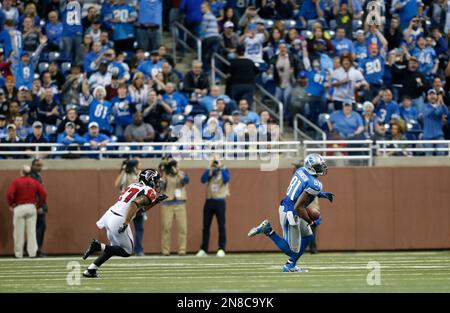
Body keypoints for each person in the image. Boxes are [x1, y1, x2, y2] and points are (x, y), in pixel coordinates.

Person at [248, 154, 334, 272]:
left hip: (290, 205)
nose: (322, 168)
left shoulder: (301, 170)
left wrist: (321, 194)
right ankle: (268, 230)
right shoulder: (315, 184)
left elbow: (303, 188)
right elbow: (299, 206)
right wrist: (310, 220)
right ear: (312, 168)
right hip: (291, 211)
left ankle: (290, 265)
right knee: (291, 251)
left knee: (308, 236)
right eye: (319, 166)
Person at [82, 169, 168, 278]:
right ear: (150, 180)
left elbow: (138, 209)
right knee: (127, 251)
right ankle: (97, 246)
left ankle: (91, 270)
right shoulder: (149, 191)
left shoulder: (134, 185)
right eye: (155, 181)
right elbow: (134, 204)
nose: (157, 183)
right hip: (119, 219)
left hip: (110, 215)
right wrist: (126, 223)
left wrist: (155, 202)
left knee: (114, 248)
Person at [6, 165, 47, 258]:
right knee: (32, 232)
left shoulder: (16, 182)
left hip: (19, 207)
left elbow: (9, 193)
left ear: (22, 172)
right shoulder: (35, 182)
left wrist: (11, 204)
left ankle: (18, 254)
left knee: (18, 233)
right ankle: (32, 253)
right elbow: (43, 193)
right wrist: (39, 204)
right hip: (31, 206)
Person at [196, 158, 230, 257]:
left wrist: (220, 167)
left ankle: (221, 248)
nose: (215, 163)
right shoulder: (210, 170)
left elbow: (226, 179)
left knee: (221, 226)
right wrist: (209, 168)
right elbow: (202, 179)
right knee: (206, 226)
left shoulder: (224, 170)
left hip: (220, 201)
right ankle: (204, 249)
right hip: (209, 200)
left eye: (217, 161)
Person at [114, 158, 146, 256]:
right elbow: (117, 184)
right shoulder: (125, 174)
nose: (140, 164)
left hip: (138, 205)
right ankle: (118, 248)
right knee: (122, 227)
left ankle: (138, 249)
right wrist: (123, 170)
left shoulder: (140, 174)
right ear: (134, 165)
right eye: (139, 163)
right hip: (127, 205)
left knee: (139, 228)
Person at [159, 158, 189, 256]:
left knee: (182, 228)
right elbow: (160, 187)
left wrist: (178, 173)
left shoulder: (182, 174)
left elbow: (186, 181)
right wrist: (164, 174)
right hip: (167, 204)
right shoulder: (165, 175)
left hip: (180, 204)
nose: (176, 167)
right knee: (166, 228)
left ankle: (182, 249)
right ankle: (165, 250)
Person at [29, 159, 48, 257]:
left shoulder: (37, 176)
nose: (39, 167)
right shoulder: (33, 177)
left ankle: (34, 249)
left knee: (40, 228)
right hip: (38, 206)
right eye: (37, 165)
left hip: (39, 205)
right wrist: (39, 206)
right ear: (32, 166)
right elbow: (36, 194)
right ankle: (37, 250)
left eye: (40, 165)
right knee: (39, 228)